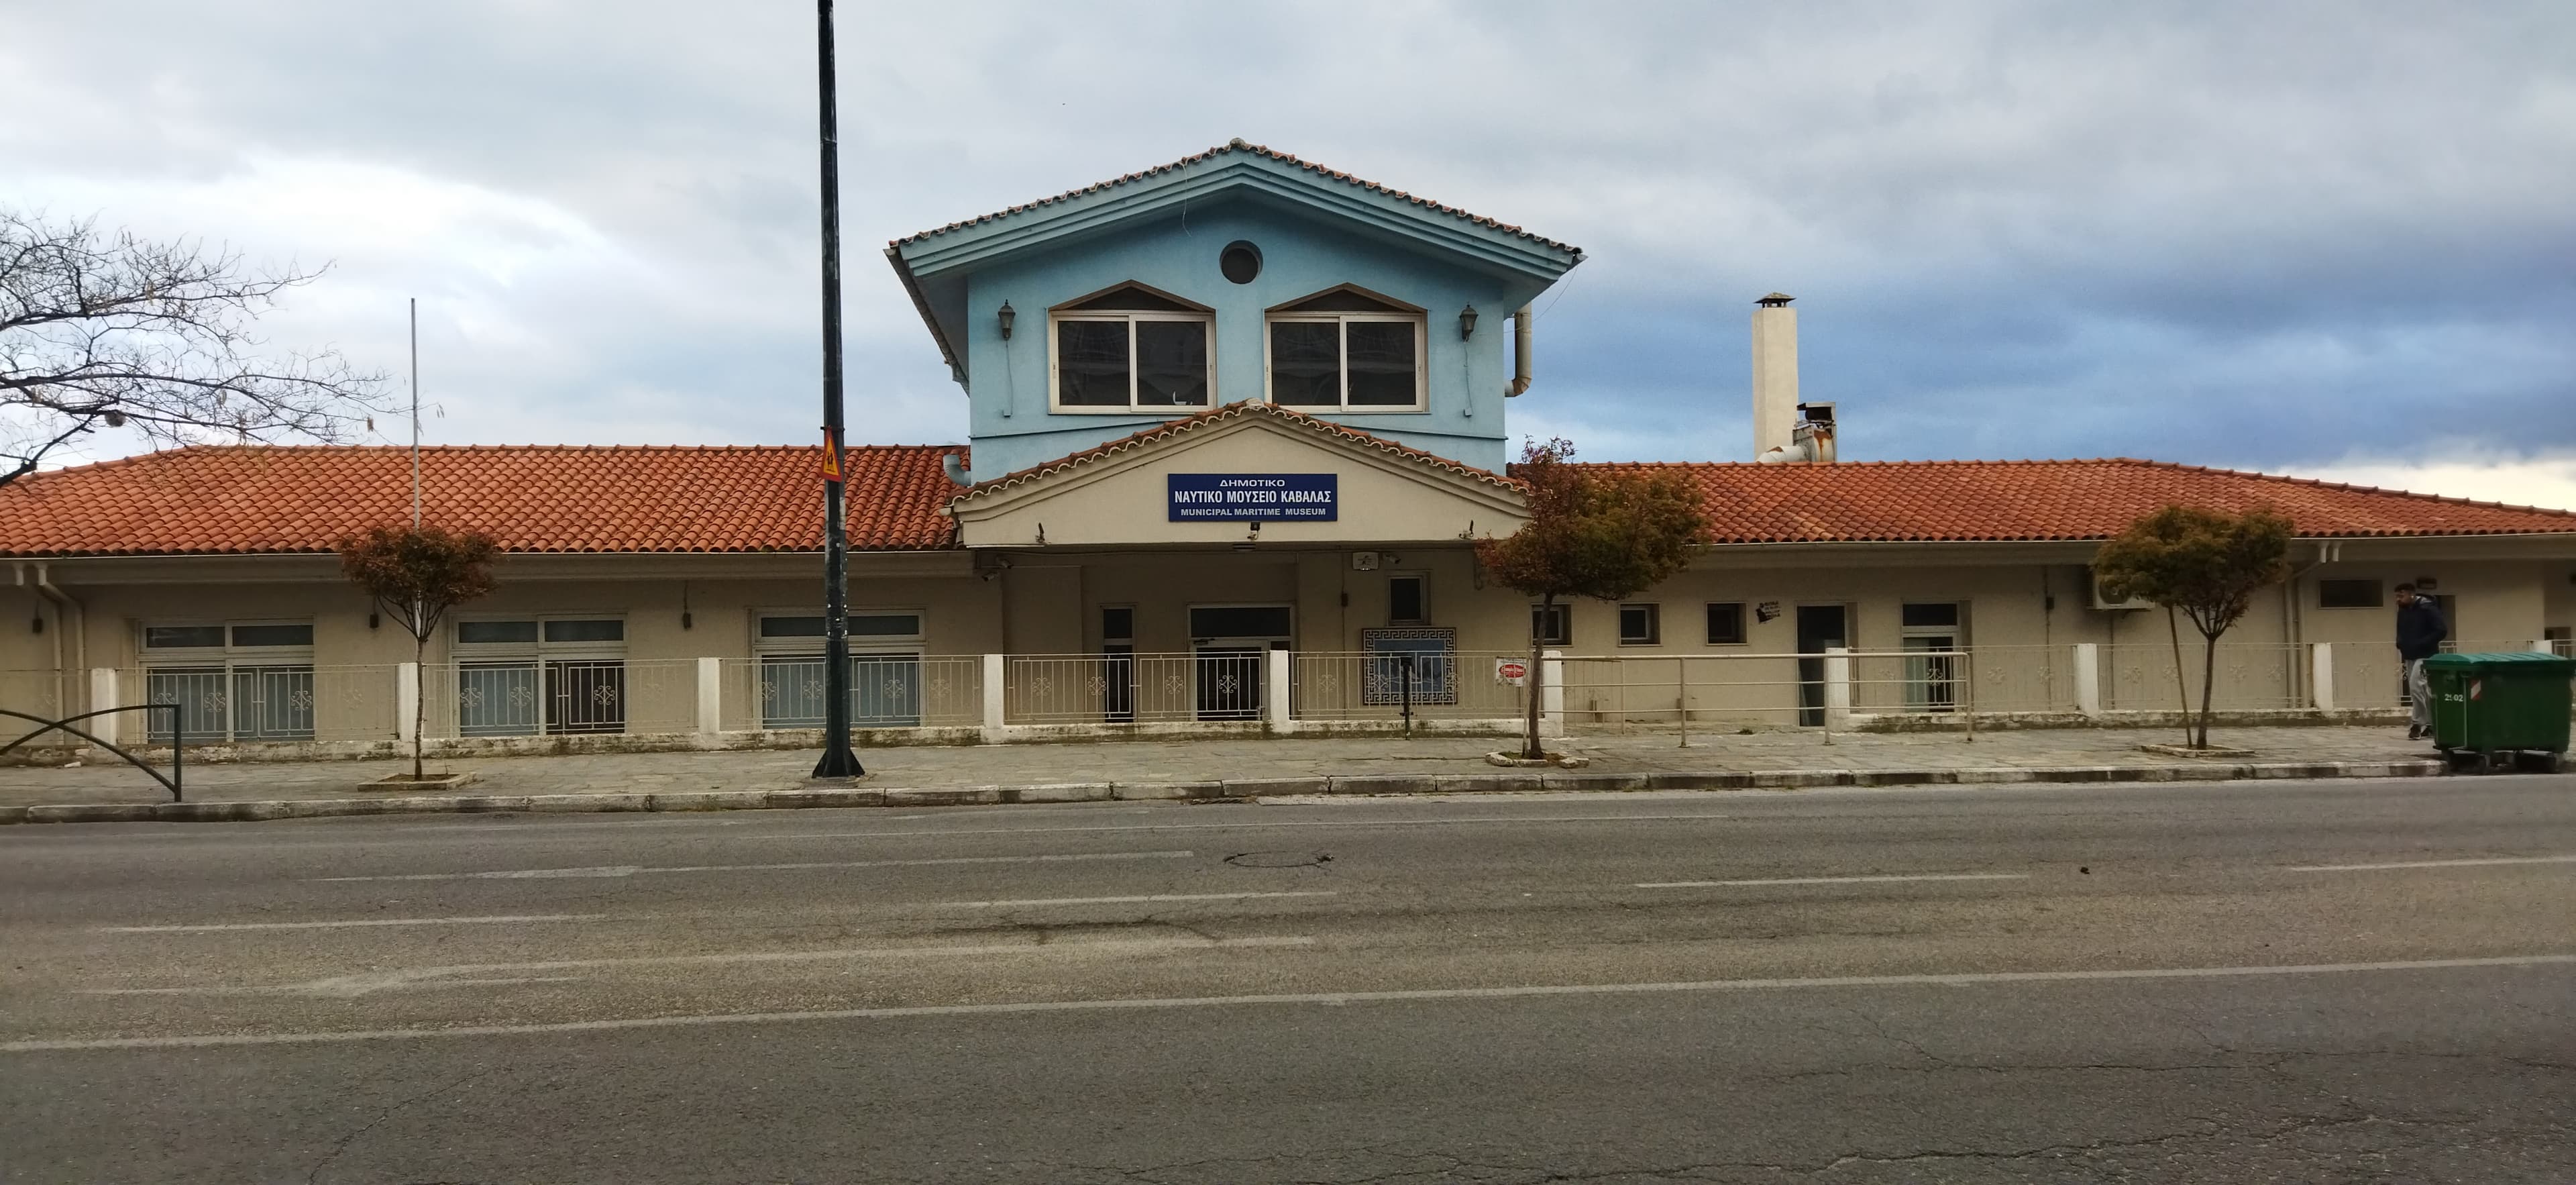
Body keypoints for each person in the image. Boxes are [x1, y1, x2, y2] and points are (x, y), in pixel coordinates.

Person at [2396, 583, 2448, 739]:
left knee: (2415, 687)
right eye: (2397, 596)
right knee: (2425, 691)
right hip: (2409, 654)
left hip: (2426, 655)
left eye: (2401, 595)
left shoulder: (2428, 608)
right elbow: (2400, 629)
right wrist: (2400, 643)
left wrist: (2422, 643)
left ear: (2411, 594)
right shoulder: (2403, 610)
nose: (2398, 599)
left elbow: (2441, 630)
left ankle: (2417, 724)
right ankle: (2432, 725)